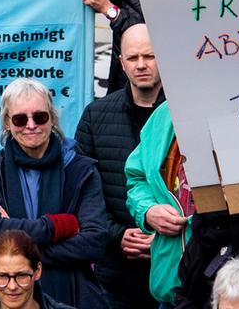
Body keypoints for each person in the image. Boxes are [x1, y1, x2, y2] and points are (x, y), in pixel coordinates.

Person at [0, 79, 110, 309]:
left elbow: (94, 243)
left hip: (72, 293)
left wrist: (16, 250)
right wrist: (55, 227)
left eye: (40, 116)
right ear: (7, 122)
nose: (31, 125)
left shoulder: (81, 170)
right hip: (6, 297)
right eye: (19, 119)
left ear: (52, 119)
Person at [73, 26, 164, 309]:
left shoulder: (186, 114)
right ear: (120, 62)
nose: (141, 65)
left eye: (149, 56)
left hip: (177, 264)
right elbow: (81, 193)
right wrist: (117, 235)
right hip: (115, 270)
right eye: (133, 57)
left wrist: (164, 238)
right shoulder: (96, 116)